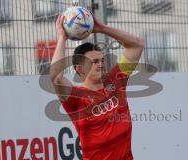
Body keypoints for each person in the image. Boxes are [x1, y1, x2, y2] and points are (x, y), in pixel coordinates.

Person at [50, 14, 144, 160]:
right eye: (94, 62)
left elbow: (136, 45)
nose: (100, 64)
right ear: (79, 68)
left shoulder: (116, 80)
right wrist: (62, 38)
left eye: (102, 60)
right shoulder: (76, 97)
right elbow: (56, 76)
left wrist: (102, 28)